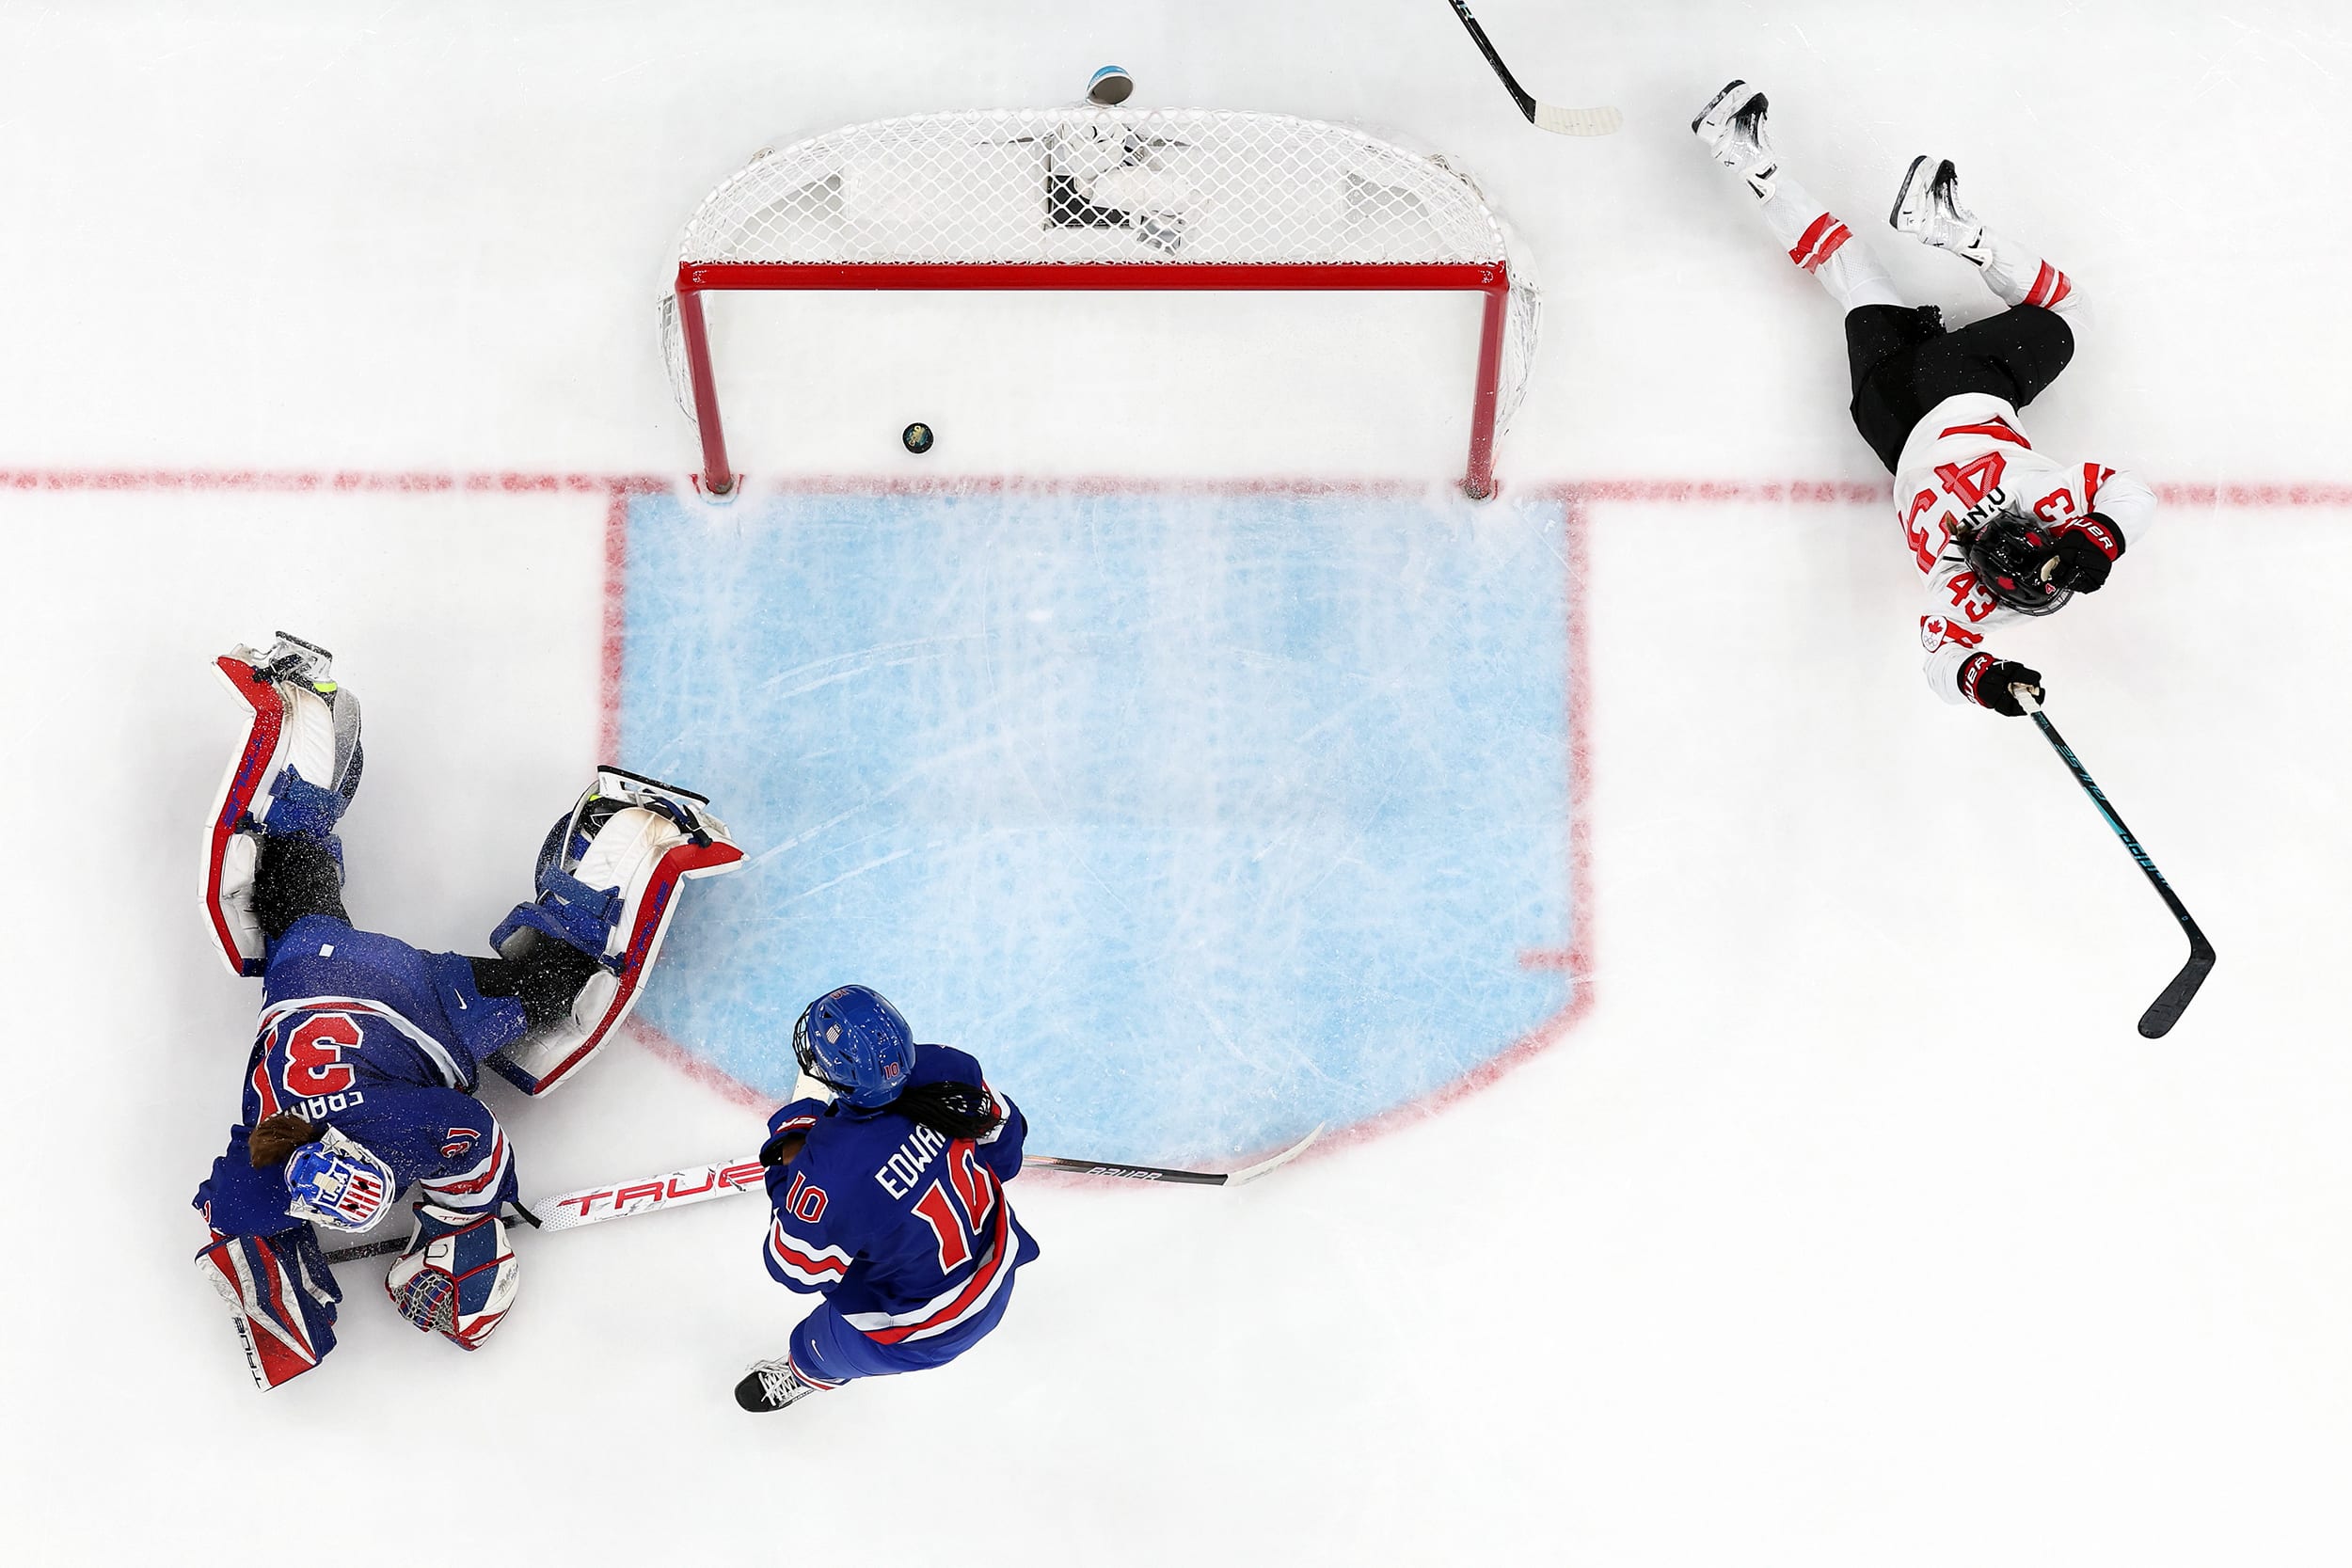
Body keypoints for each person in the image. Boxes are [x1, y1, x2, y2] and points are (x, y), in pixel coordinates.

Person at [192, 632, 741, 1389]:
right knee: (293, 872)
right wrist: (287, 1227)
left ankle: (631, 834)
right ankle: (305, 724)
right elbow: (224, 1206)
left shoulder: (406, 1152)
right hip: (308, 976)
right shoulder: (258, 1161)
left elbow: (473, 1135)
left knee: (553, 984)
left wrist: (472, 1205)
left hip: (422, 1004)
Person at [1692, 82, 2157, 718]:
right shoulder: (1954, 591)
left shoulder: (2041, 501)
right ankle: (1742, 153)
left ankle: (1947, 225)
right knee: (1848, 271)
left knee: (2068, 310)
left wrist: (2099, 537)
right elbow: (1943, 663)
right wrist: (1985, 681)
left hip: (1962, 381)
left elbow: (2130, 492)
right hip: (1888, 413)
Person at [737, 985, 1041, 1413]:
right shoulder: (949, 1067)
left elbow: (795, 1268)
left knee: (816, 1347)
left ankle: (805, 1373)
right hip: (996, 1264)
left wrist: (791, 1155)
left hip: (927, 1330)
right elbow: (1005, 1155)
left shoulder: (831, 1172)